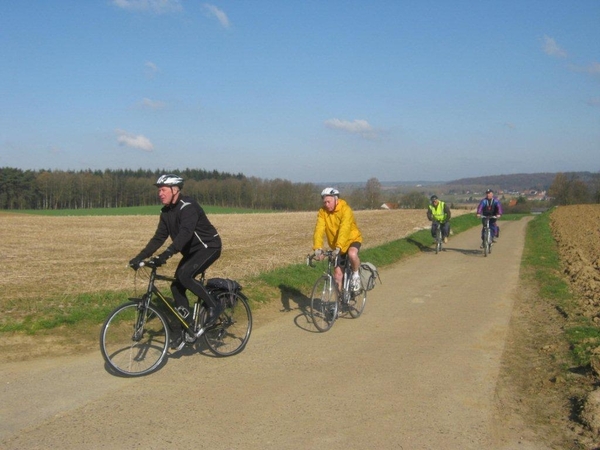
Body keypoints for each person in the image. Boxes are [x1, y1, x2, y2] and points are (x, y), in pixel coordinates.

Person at [129, 174, 223, 351]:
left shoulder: (188, 207)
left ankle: (214, 305)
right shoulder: (166, 212)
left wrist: (166, 255)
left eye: (163, 189)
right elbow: (159, 238)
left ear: (175, 190)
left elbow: (185, 234)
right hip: (191, 252)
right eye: (158, 190)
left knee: (184, 276)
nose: (160, 193)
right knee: (176, 287)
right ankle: (186, 329)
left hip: (208, 247)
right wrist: (140, 257)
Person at [312, 187, 363, 292]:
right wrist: (317, 248)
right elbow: (319, 230)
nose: (326, 204)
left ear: (336, 199)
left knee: (352, 254)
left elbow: (344, 229)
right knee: (337, 275)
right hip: (337, 246)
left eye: (329, 202)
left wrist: (339, 247)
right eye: (324, 202)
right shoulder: (323, 212)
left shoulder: (345, 210)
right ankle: (338, 304)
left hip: (351, 239)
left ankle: (356, 275)